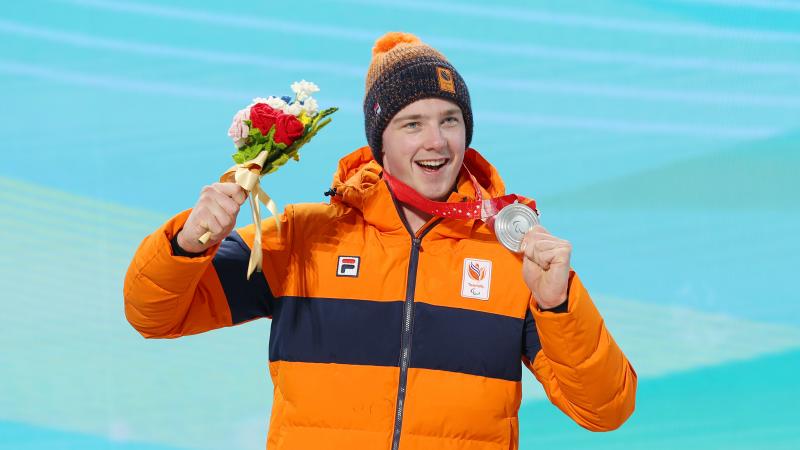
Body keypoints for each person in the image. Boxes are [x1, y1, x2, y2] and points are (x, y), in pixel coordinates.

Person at [124, 32, 636, 450]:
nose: (436, 142)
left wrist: (559, 304)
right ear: (379, 140)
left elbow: (606, 410)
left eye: (449, 121)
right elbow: (154, 314)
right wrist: (190, 243)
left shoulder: (515, 255)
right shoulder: (302, 239)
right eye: (412, 124)